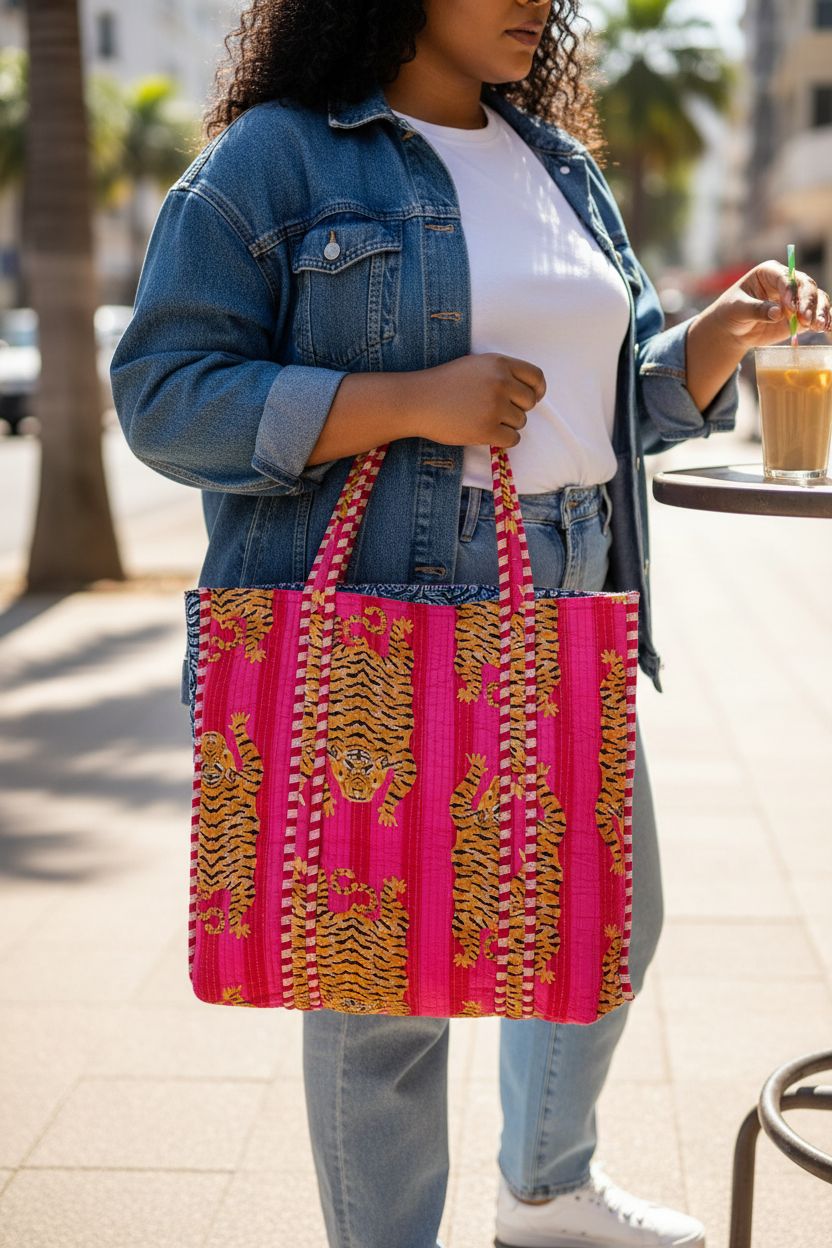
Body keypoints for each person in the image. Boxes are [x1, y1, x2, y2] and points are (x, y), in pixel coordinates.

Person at [110, 2, 832, 1246]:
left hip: (568, 598)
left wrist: (710, 342)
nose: (537, 3)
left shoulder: (554, 164)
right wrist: (402, 402)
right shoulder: (277, 159)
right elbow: (167, 398)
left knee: (610, 912)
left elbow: (592, 415)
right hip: (384, 611)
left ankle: (542, 1189)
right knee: (379, 987)